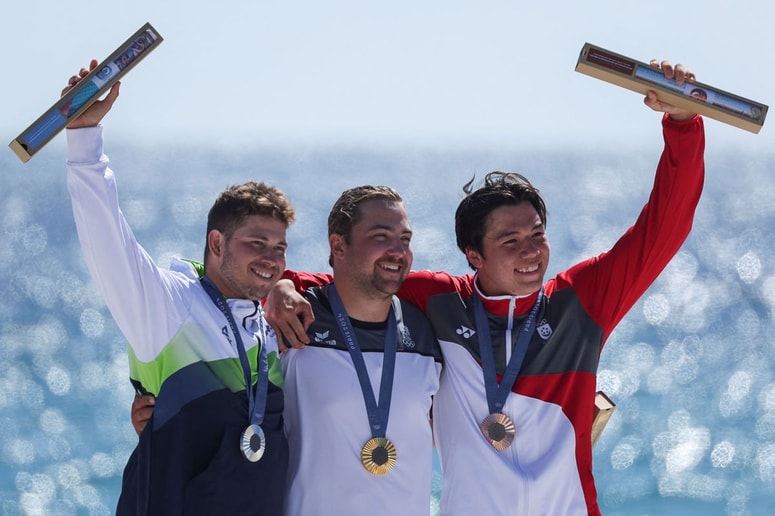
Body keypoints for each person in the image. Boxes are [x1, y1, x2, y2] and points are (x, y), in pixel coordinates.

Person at [271, 60, 705, 515]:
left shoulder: (579, 302)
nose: (531, 251)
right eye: (510, 241)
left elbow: (663, 229)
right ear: (473, 255)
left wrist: (682, 123)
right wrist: (284, 284)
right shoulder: (441, 301)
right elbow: (363, 275)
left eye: (537, 234)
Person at [64, 60, 292, 515]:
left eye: (280, 247)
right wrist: (85, 141)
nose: (272, 259)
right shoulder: (170, 306)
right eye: (257, 244)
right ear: (216, 242)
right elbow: (109, 243)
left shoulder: (267, 326)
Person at [131, 186, 442, 515]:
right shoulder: (291, 324)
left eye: (405, 239)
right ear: (338, 245)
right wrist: (167, 416)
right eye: (381, 236)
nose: (398, 250)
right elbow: (232, 398)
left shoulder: (428, 333)